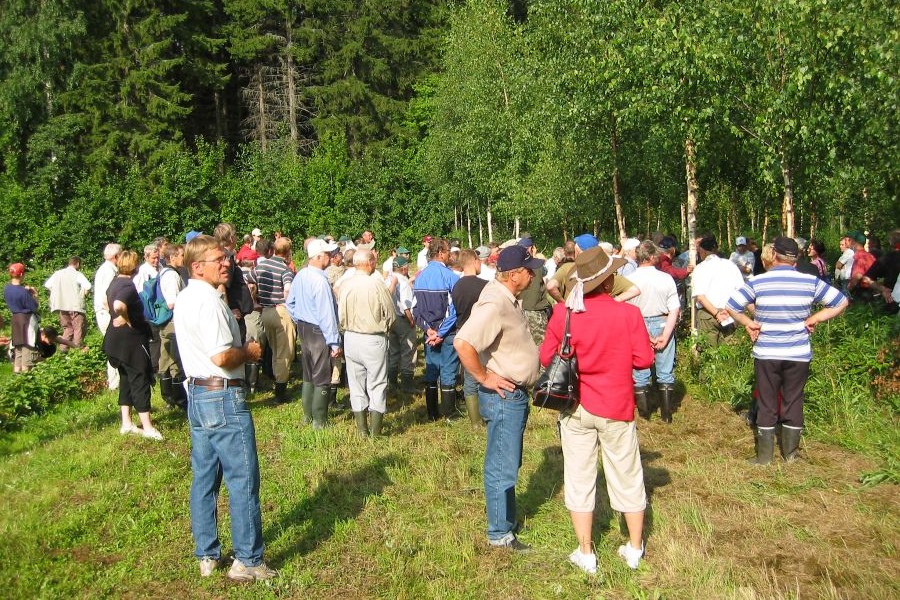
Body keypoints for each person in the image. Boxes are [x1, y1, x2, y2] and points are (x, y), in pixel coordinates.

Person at [540, 247, 654, 574]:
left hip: (576, 405)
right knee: (627, 474)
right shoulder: (628, 314)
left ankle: (586, 551)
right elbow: (644, 360)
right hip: (617, 405)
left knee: (579, 476)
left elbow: (547, 357)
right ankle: (634, 547)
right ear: (608, 281)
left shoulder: (564, 314)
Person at [173, 235, 276, 581]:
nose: (226, 263)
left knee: (204, 477)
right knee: (242, 477)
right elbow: (221, 356)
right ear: (197, 267)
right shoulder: (208, 302)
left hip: (199, 394)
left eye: (226, 258)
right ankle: (247, 560)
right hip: (222, 396)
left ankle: (207, 553)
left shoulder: (187, 297)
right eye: (218, 259)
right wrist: (248, 352)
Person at [726, 237, 848, 464]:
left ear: (774, 255)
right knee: (794, 399)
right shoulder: (810, 281)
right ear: (796, 258)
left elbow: (732, 305)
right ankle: (790, 455)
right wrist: (816, 318)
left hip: (767, 353)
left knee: (767, 401)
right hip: (798, 353)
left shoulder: (758, 281)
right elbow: (841, 302)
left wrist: (749, 323)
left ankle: (764, 458)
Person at [454, 245, 545, 551]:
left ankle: (505, 520)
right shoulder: (494, 303)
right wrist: (484, 377)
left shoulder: (508, 298)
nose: (533, 274)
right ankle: (499, 533)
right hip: (503, 397)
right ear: (514, 274)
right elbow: (463, 343)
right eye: (529, 270)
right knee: (501, 464)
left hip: (512, 396)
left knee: (508, 460)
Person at [103, 250, 163, 440]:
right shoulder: (128, 286)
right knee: (140, 379)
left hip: (115, 341)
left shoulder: (114, 282)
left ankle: (127, 423)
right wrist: (126, 318)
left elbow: (105, 302)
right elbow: (118, 305)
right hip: (131, 341)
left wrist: (115, 316)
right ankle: (148, 427)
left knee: (126, 379)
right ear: (135, 266)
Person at [338, 248, 396, 436]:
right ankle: (375, 432)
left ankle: (362, 430)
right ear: (370, 263)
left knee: (355, 384)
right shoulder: (376, 284)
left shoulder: (345, 284)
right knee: (377, 383)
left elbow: (340, 313)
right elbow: (391, 314)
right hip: (373, 337)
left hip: (350, 337)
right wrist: (385, 327)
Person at [285, 239, 342, 428]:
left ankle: (307, 416)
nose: (330, 257)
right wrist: (334, 342)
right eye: (327, 254)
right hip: (319, 331)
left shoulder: (301, 274)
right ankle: (320, 420)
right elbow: (327, 315)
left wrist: (300, 319)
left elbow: (290, 303)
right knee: (322, 375)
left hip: (304, 328)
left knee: (308, 373)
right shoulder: (320, 281)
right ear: (318, 257)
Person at [627, 241, 681, 422]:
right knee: (665, 370)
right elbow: (674, 308)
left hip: (638, 323)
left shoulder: (630, 279)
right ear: (652, 257)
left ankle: (644, 414)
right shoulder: (665, 278)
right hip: (663, 322)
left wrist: (644, 334)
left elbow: (626, 310)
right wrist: (665, 335)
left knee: (640, 371)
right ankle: (666, 414)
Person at [413, 237, 461, 421]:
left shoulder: (420, 277)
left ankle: (432, 413)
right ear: (441, 253)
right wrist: (440, 332)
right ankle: (449, 414)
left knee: (431, 370)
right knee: (448, 370)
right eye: (448, 251)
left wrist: (428, 330)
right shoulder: (451, 277)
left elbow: (415, 309)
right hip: (447, 332)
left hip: (429, 333)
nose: (450, 255)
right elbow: (454, 310)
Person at [450, 249, 489, 426]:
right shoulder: (485, 286)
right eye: (479, 260)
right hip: (480, 333)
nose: (480, 263)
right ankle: (482, 417)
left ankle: (474, 420)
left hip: (461, 331)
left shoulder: (456, 286)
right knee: (482, 373)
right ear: (473, 261)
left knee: (469, 374)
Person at [255, 236, 295, 403]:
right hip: (280, 312)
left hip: (265, 312)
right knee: (285, 352)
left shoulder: (261, 265)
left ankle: (277, 381)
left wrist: (255, 301)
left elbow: (249, 281)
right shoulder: (285, 269)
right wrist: (289, 304)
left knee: (274, 350)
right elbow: (288, 289)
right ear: (287, 251)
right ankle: (280, 392)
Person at [692, 234, 745, 348]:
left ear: (702, 251)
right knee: (729, 351)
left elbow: (700, 297)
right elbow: (741, 291)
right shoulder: (730, 265)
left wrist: (717, 313)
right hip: (730, 313)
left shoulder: (700, 268)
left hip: (708, 315)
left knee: (708, 352)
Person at [156, 244, 187, 409]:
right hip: (173, 322)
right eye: (181, 255)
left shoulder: (164, 272)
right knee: (175, 359)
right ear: (172, 257)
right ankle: (179, 399)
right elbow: (172, 302)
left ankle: (169, 398)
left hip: (166, 322)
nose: (184, 257)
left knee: (166, 357)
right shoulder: (172, 276)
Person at [43, 256, 92, 348]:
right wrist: (83, 295)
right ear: (77, 264)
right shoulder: (77, 274)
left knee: (68, 328)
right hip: (75, 306)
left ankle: (63, 349)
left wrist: (57, 292)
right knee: (78, 328)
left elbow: (47, 285)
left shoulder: (57, 273)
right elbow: (88, 286)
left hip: (61, 305)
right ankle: (77, 349)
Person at [387, 256, 417, 394]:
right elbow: (406, 306)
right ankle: (407, 385)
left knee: (393, 351)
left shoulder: (388, 279)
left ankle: (392, 382)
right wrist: (411, 320)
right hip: (403, 319)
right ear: (404, 268)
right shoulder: (403, 282)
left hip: (391, 319)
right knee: (408, 351)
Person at [94, 243, 122, 389]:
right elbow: (107, 297)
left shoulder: (106, 269)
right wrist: (115, 315)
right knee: (115, 346)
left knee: (115, 346)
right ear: (116, 256)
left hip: (105, 312)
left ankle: (116, 382)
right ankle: (114, 383)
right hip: (107, 313)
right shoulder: (108, 271)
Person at [4, 263, 40, 373]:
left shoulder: (7, 289)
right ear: (21, 274)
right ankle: (26, 375)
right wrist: (35, 295)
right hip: (26, 319)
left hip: (15, 318)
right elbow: (34, 307)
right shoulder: (23, 292)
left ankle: (17, 373)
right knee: (28, 346)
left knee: (18, 347)